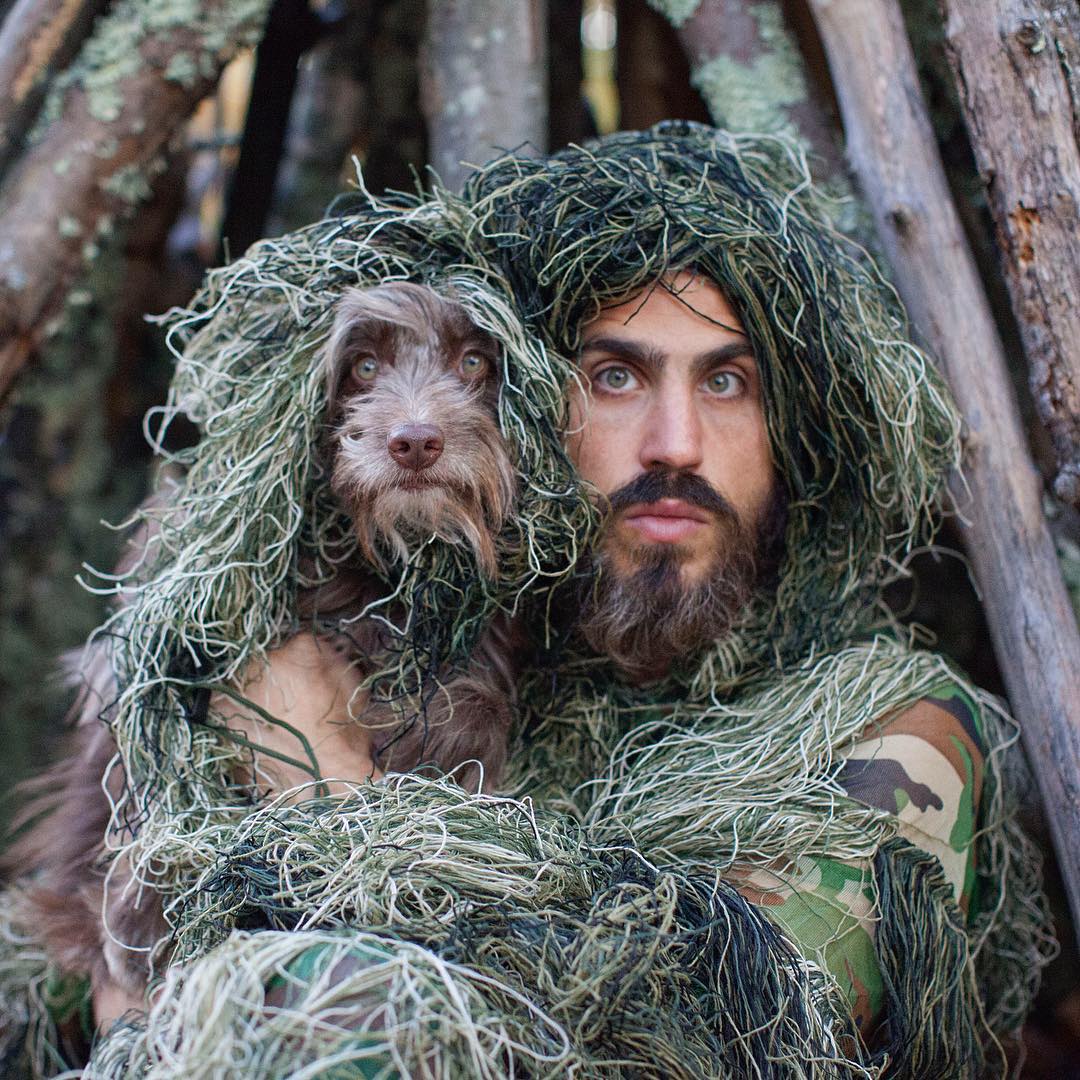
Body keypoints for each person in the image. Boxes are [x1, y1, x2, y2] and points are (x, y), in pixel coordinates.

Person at [0, 123, 1051, 1079]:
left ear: (797, 439)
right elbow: (92, 977)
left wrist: (326, 789)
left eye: (727, 384)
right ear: (536, 418)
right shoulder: (467, 672)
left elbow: (730, 1028)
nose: (674, 444)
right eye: (617, 377)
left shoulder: (895, 730)